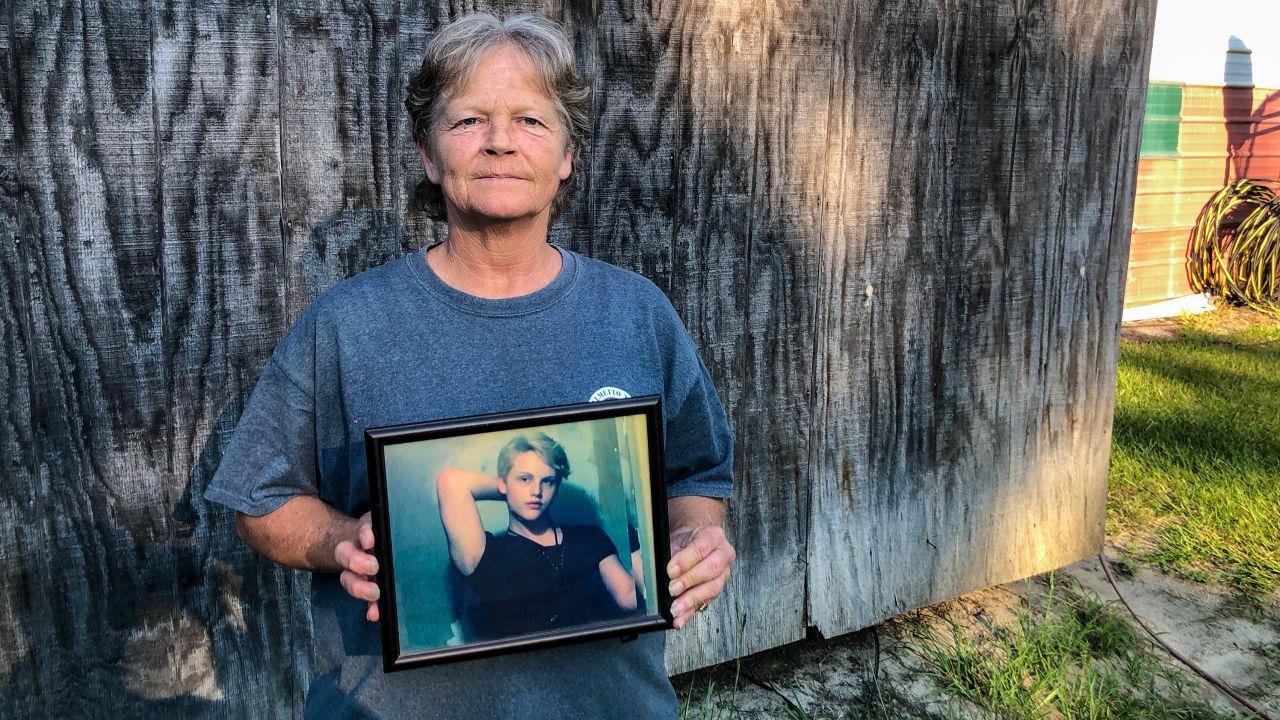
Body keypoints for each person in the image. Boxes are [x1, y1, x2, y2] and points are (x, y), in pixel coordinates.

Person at [204, 11, 736, 719]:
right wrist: (345, 542)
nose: (499, 142)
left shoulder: (636, 314)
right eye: (468, 122)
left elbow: (696, 475)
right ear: (428, 155)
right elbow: (258, 498)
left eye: (531, 121)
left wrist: (698, 541)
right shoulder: (346, 327)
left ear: (568, 156)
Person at [437, 432, 637, 640]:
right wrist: (510, 491)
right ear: (502, 483)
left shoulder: (588, 538)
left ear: (557, 486)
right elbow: (450, 481)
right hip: (520, 670)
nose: (536, 491)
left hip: (594, 662)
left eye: (548, 481)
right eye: (525, 479)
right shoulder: (484, 554)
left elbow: (629, 598)